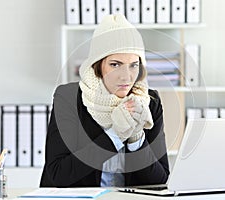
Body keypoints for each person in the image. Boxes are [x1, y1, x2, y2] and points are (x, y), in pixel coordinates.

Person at [40, 14, 169, 187]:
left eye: (133, 65)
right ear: (98, 65)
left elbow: (159, 180)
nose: (126, 76)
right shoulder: (68, 98)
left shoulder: (148, 102)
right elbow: (58, 174)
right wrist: (116, 134)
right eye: (115, 64)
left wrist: (136, 137)